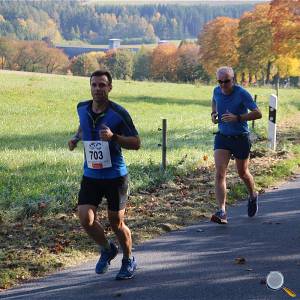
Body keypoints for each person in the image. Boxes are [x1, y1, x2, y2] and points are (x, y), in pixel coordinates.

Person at [68, 70, 140, 279]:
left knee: (116, 222)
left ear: (110, 87)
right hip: (91, 174)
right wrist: (75, 137)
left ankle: (128, 260)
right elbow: (84, 125)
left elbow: (136, 142)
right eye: (94, 85)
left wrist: (114, 137)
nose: (98, 89)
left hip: (115, 176)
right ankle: (108, 249)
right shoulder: (82, 107)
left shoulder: (119, 113)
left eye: (102, 85)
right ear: (90, 87)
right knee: (85, 219)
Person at [210, 66, 262, 224]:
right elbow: (214, 101)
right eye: (220, 81)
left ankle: (253, 194)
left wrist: (237, 118)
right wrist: (213, 115)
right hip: (223, 137)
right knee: (220, 173)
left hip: (240, 138)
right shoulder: (216, 91)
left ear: (233, 80)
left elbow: (258, 113)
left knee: (243, 172)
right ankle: (222, 212)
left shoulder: (242, 93)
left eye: (226, 81)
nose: (223, 85)